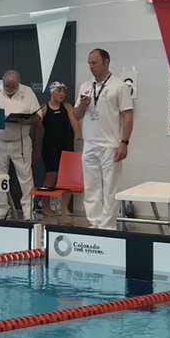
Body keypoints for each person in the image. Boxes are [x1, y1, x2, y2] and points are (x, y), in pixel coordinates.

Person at [73, 49, 134, 230]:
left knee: (110, 188)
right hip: (90, 142)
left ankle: (108, 226)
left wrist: (124, 142)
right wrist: (82, 106)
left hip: (110, 144)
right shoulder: (85, 86)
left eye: (95, 63)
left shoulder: (119, 86)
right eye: (89, 63)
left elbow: (128, 116)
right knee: (91, 186)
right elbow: (75, 115)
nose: (91, 67)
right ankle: (95, 223)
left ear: (106, 62)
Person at [0, 70, 41, 220]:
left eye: (13, 86)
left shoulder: (27, 92)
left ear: (18, 83)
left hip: (20, 141)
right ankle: (2, 208)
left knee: (25, 177)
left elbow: (38, 115)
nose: (9, 89)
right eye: (7, 85)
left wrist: (29, 120)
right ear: (3, 81)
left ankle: (28, 210)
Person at [36, 82, 83, 219]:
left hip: (65, 145)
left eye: (63, 92)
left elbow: (74, 122)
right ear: (52, 92)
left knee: (68, 178)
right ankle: (45, 206)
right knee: (51, 176)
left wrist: (78, 134)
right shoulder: (44, 109)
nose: (62, 94)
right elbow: (37, 132)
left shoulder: (67, 107)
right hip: (49, 147)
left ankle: (64, 207)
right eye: (59, 91)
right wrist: (35, 148)